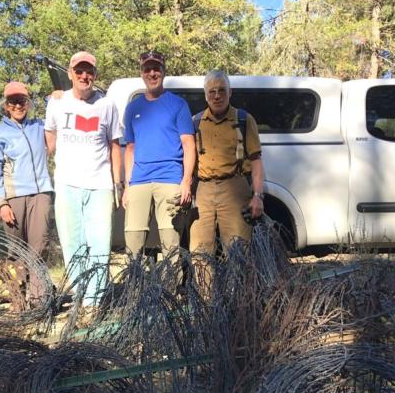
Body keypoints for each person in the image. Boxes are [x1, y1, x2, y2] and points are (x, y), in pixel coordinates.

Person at [44, 51, 122, 306]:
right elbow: (49, 142)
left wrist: (118, 183)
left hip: (100, 185)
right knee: (72, 246)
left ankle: (93, 304)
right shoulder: (57, 102)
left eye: (89, 71)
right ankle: (80, 298)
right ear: (70, 74)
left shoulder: (107, 104)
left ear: (95, 75)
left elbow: (114, 146)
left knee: (99, 246)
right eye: (79, 71)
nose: (84, 76)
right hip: (67, 184)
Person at [121, 50, 195, 257]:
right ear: (142, 73)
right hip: (139, 181)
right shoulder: (133, 107)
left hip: (170, 179)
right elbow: (131, 149)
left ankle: (171, 288)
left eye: (157, 69)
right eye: (147, 69)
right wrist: (127, 186)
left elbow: (189, 146)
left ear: (163, 71)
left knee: (171, 243)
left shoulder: (178, 104)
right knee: (133, 242)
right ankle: (134, 288)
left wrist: (186, 182)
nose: (152, 73)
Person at [0, 81, 53, 302]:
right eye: (13, 101)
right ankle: (18, 300)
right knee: (16, 250)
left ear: (28, 102)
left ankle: (38, 299)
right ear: (6, 105)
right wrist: (2, 203)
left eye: (22, 100)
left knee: (40, 245)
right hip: (13, 196)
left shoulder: (39, 126)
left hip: (41, 193)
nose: (18, 105)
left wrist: (55, 98)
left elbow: (57, 121)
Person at [188, 70, 264, 255]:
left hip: (235, 187)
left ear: (230, 93)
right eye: (212, 91)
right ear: (205, 96)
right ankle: (204, 285)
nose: (217, 95)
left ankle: (236, 285)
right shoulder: (195, 122)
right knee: (200, 251)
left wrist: (258, 196)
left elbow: (256, 161)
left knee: (238, 250)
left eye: (222, 90)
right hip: (203, 190)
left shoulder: (244, 119)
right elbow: (188, 159)